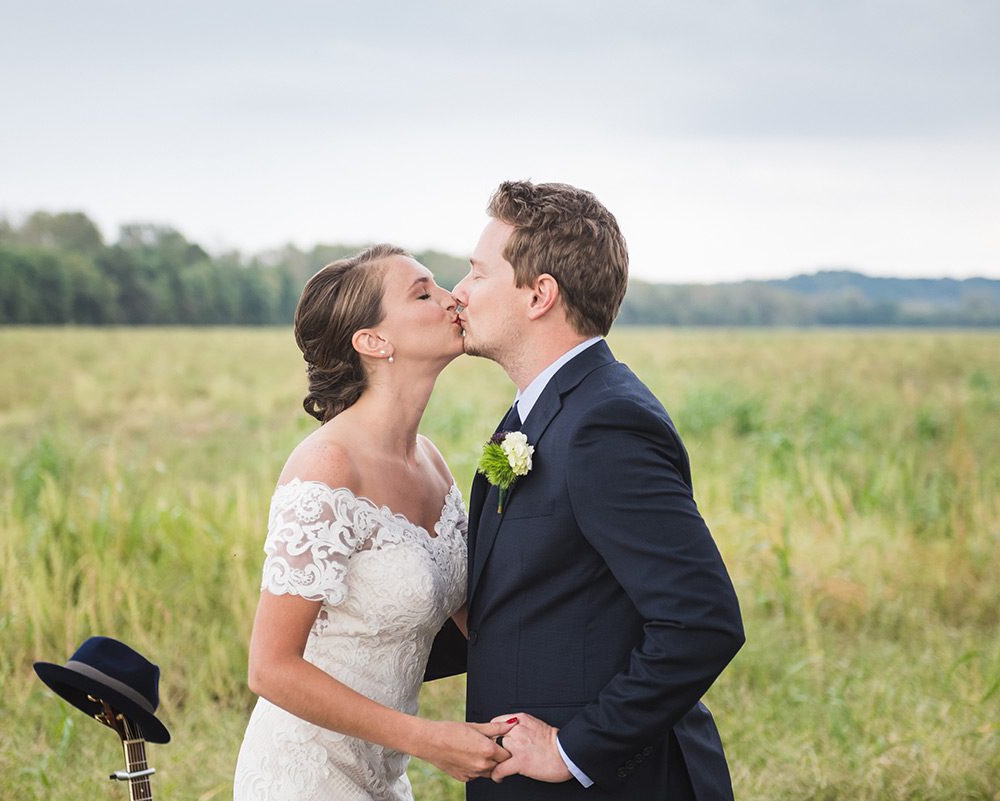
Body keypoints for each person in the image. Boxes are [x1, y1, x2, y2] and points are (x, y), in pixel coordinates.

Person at [431, 180, 745, 800]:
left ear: (539, 295)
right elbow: (526, 601)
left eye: (477, 273)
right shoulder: (537, 413)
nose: (459, 293)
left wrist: (575, 749)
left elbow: (701, 620)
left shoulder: (605, 424)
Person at [233, 245, 515, 800]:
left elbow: (474, 621)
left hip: (383, 776)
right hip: (303, 776)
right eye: (423, 292)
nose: (452, 296)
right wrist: (429, 740)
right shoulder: (327, 467)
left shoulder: (431, 463)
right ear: (374, 341)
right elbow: (269, 668)